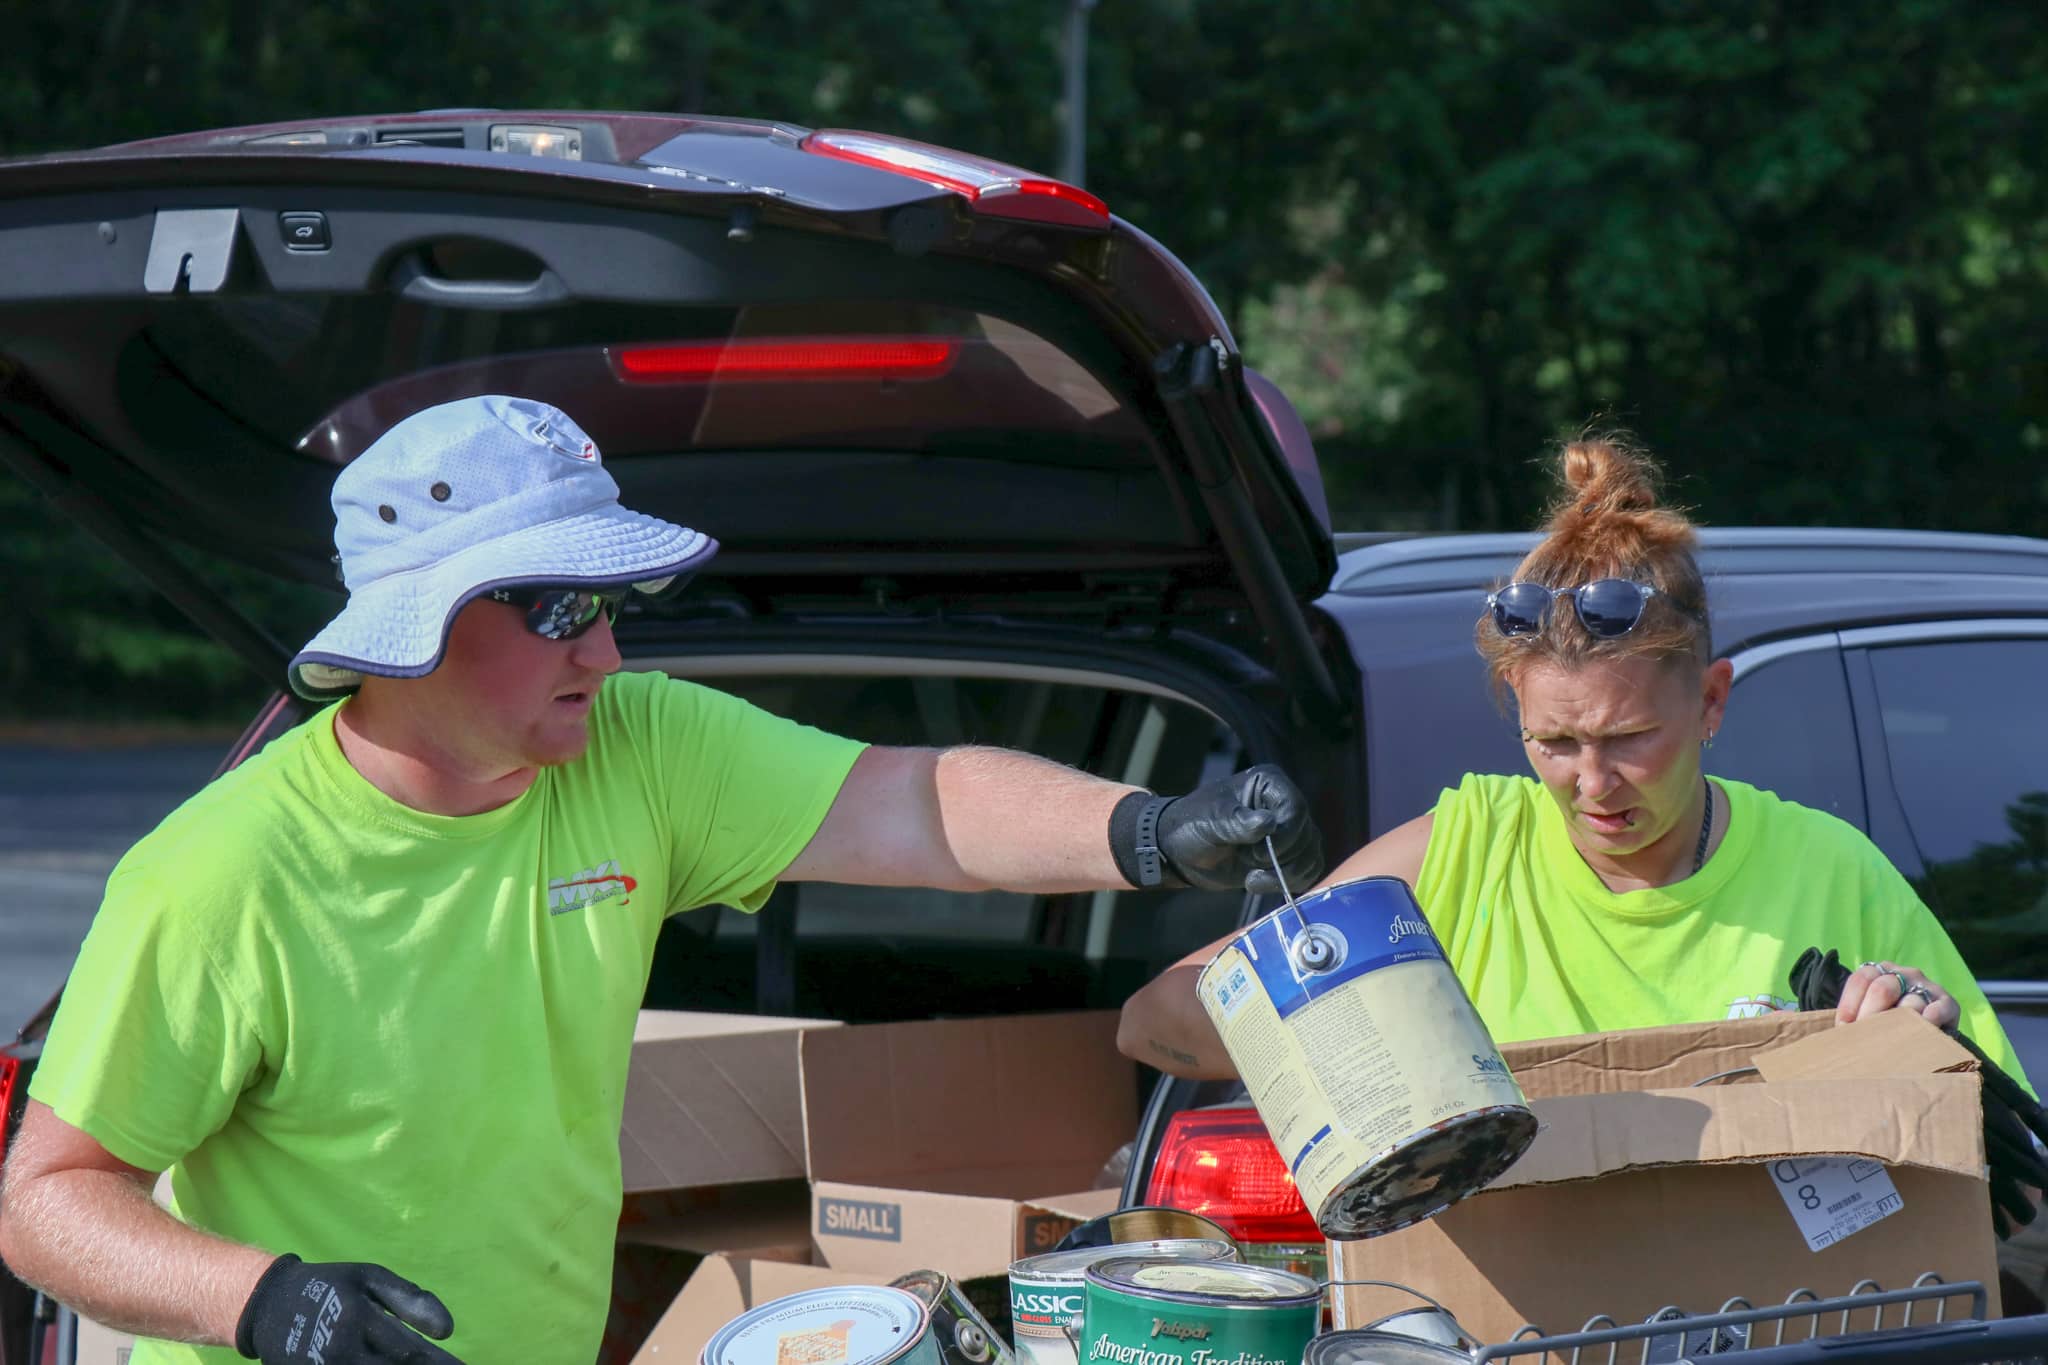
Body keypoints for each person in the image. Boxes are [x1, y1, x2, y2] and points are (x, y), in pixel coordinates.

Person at [0, 395, 1324, 1365]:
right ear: (418, 630)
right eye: (567, 609)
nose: (611, 651)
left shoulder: (637, 747)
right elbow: (48, 1204)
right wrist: (266, 1300)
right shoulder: (220, 872)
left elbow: (912, 806)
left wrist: (1151, 833)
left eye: (613, 602)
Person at [1118, 432, 2027, 1086]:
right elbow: (1154, 1018)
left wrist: (1924, 1047)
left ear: (1711, 701)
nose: (1591, 785)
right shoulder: (1458, 858)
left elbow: (2011, 1192)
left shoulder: (1835, 873)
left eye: (1630, 739)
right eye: (1554, 742)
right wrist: (1354, 1045)